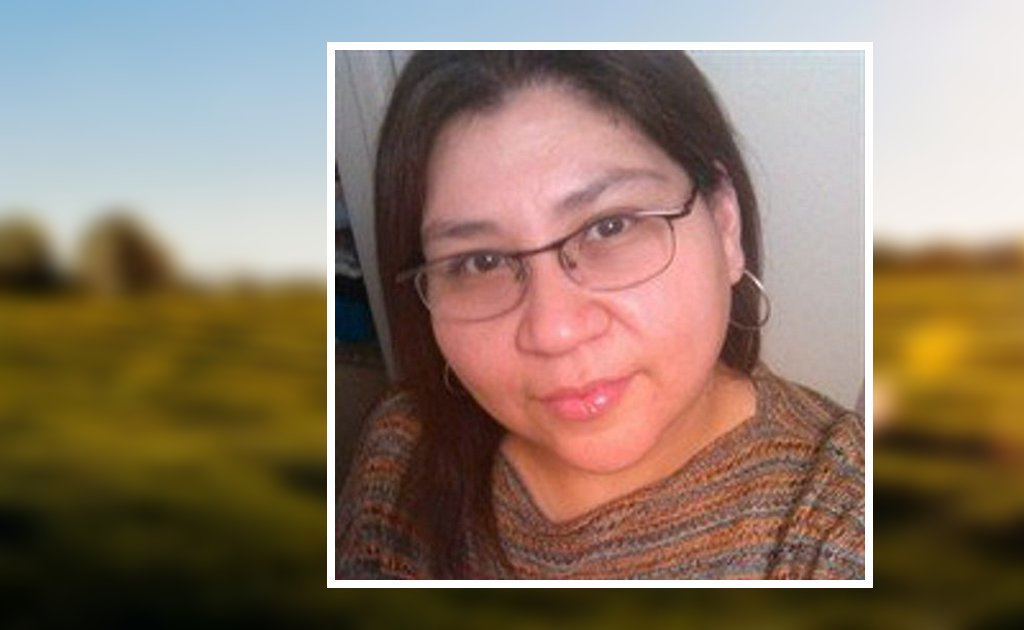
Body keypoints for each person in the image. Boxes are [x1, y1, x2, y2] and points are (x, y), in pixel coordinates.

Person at [336, 50, 864, 580]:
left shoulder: (841, 519)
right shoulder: (403, 449)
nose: (554, 331)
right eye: (482, 262)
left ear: (725, 223)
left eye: (609, 227)